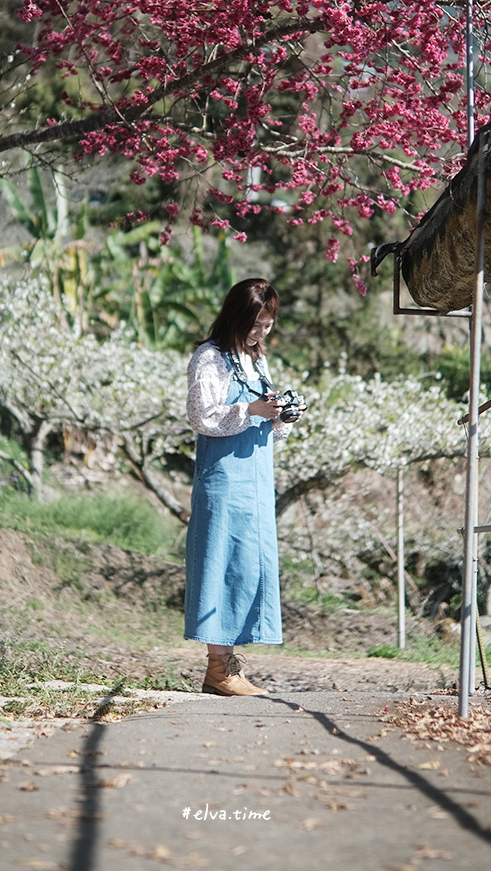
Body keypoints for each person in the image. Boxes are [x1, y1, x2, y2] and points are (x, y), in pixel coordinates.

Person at [185, 278, 295, 696]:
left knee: (249, 567)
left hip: (256, 481)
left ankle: (230, 665)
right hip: (224, 481)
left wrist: (282, 414)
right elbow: (202, 416)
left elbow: (268, 424)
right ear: (236, 315)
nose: (259, 333)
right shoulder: (209, 358)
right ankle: (218, 668)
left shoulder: (257, 360)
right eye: (254, 324)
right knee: (221, 566)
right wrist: (249, 408)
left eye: (266, 326)